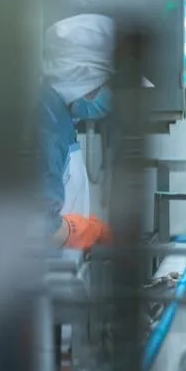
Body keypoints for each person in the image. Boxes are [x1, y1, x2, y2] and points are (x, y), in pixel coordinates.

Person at [40, 13, 115, 256]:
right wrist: (82, 230)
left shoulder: (61, 118)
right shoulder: (45, 125)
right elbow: (39, 227)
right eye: (109, 87)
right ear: (88, 82)